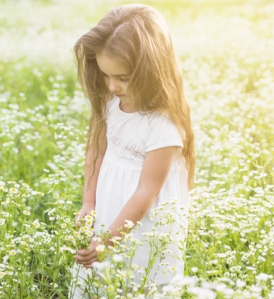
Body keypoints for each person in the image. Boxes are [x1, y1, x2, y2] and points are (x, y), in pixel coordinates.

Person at [70, 4, 195, 298]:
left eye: (123, 77)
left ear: (152, 69)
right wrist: (89, 202)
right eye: (105, 74)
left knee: (138, 279)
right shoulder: (111, 101)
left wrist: (107, 242)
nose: (112, 86)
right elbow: (96, 150)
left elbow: (146, 191)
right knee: (100, 281)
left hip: (145, 220)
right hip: (108, 207)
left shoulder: (163, 124)